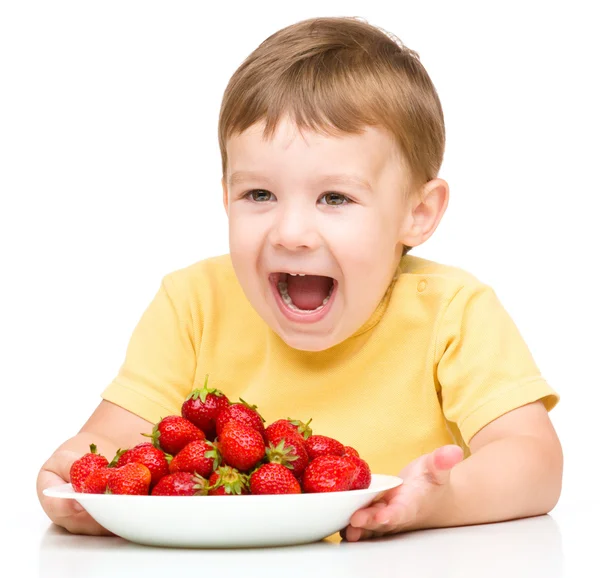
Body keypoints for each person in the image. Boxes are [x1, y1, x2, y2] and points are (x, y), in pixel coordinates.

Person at [36, 16, 562, 542]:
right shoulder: (193, 303)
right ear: (225, 197)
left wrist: (437, 500)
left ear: (418, 213)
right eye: (259, 195)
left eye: (335, 198)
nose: (291, 232)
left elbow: (535, 461)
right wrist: (78, 475)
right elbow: (112, 441)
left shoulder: (453, 313)